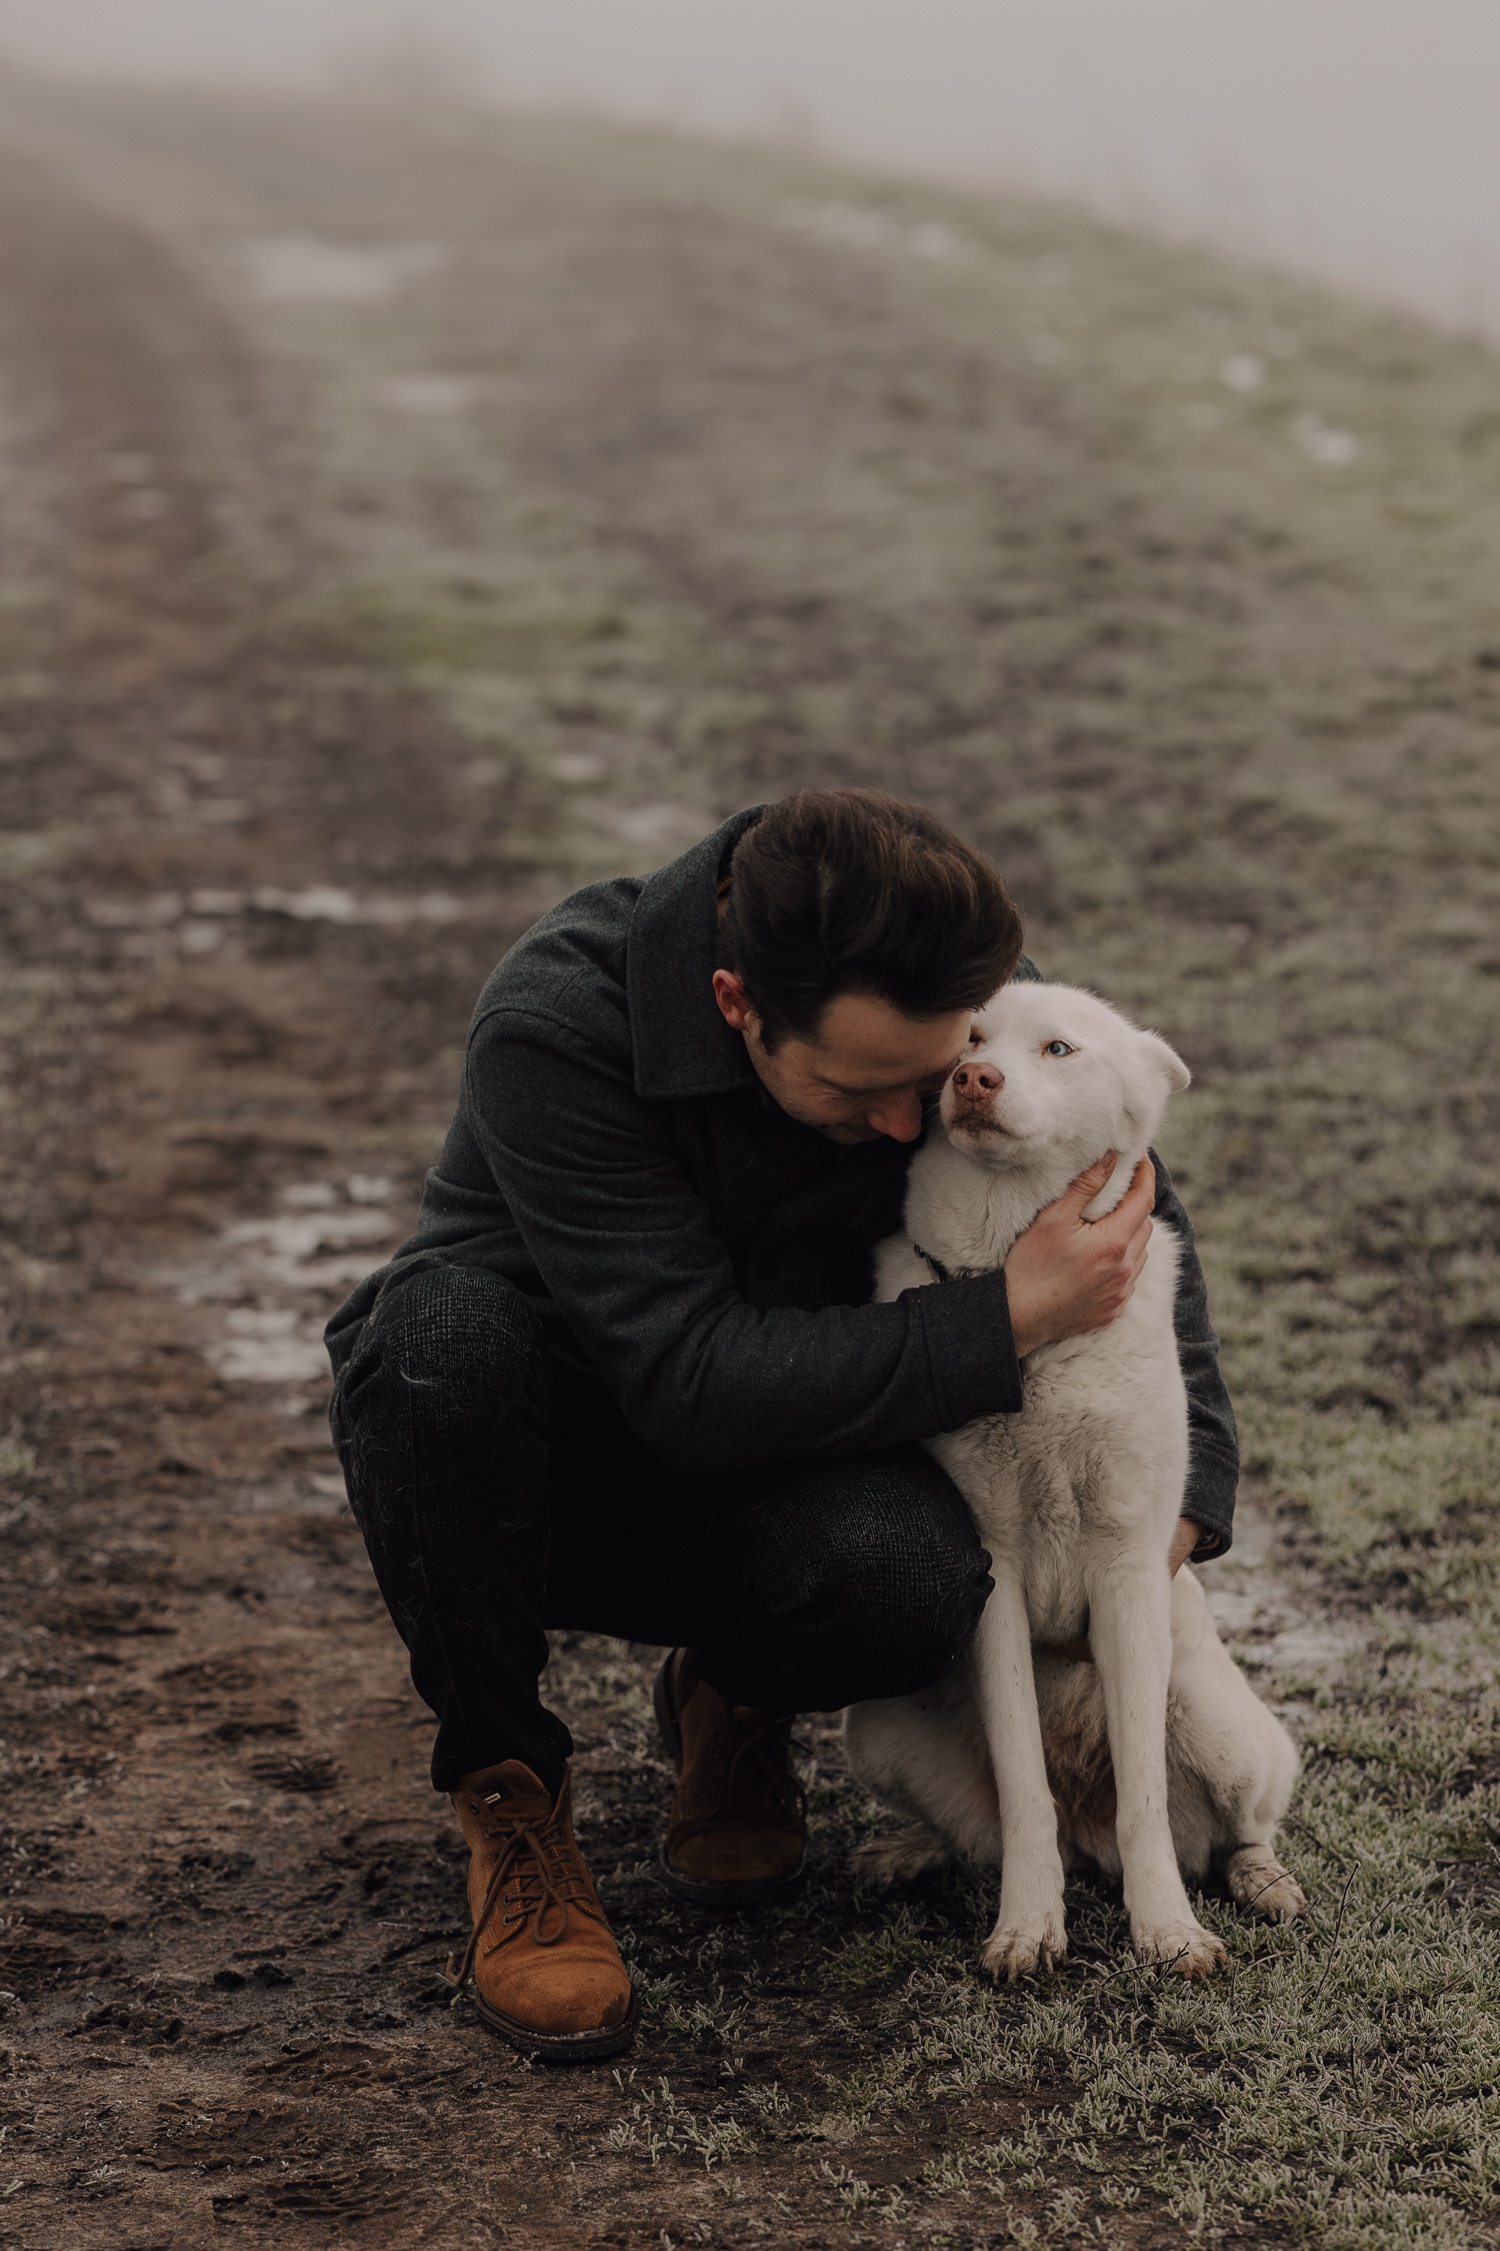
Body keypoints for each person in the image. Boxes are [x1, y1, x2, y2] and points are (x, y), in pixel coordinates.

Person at [326, 790, 1238, 2062]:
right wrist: (999, 1325)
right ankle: (512, 1799)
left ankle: (736, 1694)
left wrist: (1198, 1475)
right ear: (733, 1001)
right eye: (860, 1091)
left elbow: (1114, 1180)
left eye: (932, 1078)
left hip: (803, 1442)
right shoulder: (556, 1022)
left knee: (920, 1574)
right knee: (433, 1347)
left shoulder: (940, 990)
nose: (907, 1122)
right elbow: (686, 1377)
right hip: (556, 1466)